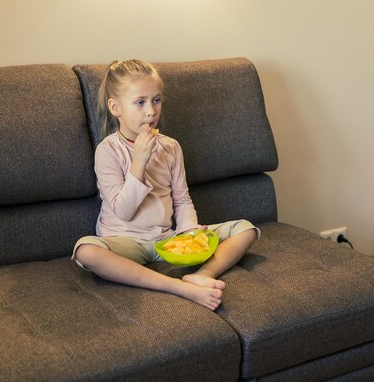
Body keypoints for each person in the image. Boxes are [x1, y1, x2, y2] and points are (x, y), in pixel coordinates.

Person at [73, 59, 258, 310]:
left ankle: (203, 275)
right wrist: (139, 162)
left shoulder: (170, 147)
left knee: (245, 229)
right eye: (140, 102)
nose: (151, 111)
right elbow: (124, 211)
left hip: (166, 240)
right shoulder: (108, 151)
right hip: (125, 242)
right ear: (115, 107)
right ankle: (178, 287)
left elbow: (181, 199)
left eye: (156, 100)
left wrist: (189, 231)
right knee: (86, 250)